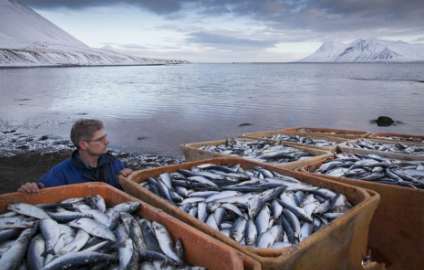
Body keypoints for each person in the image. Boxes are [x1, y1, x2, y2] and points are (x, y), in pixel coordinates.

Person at [18, 119, 132, 193]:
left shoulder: (115, 163)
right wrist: (31, 188)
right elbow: (41, 189)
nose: (107, 142)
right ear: (83, 144)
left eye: (105, 137)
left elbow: (126, 189)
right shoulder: (61, 172)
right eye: (100, 139)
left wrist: (129, 177)